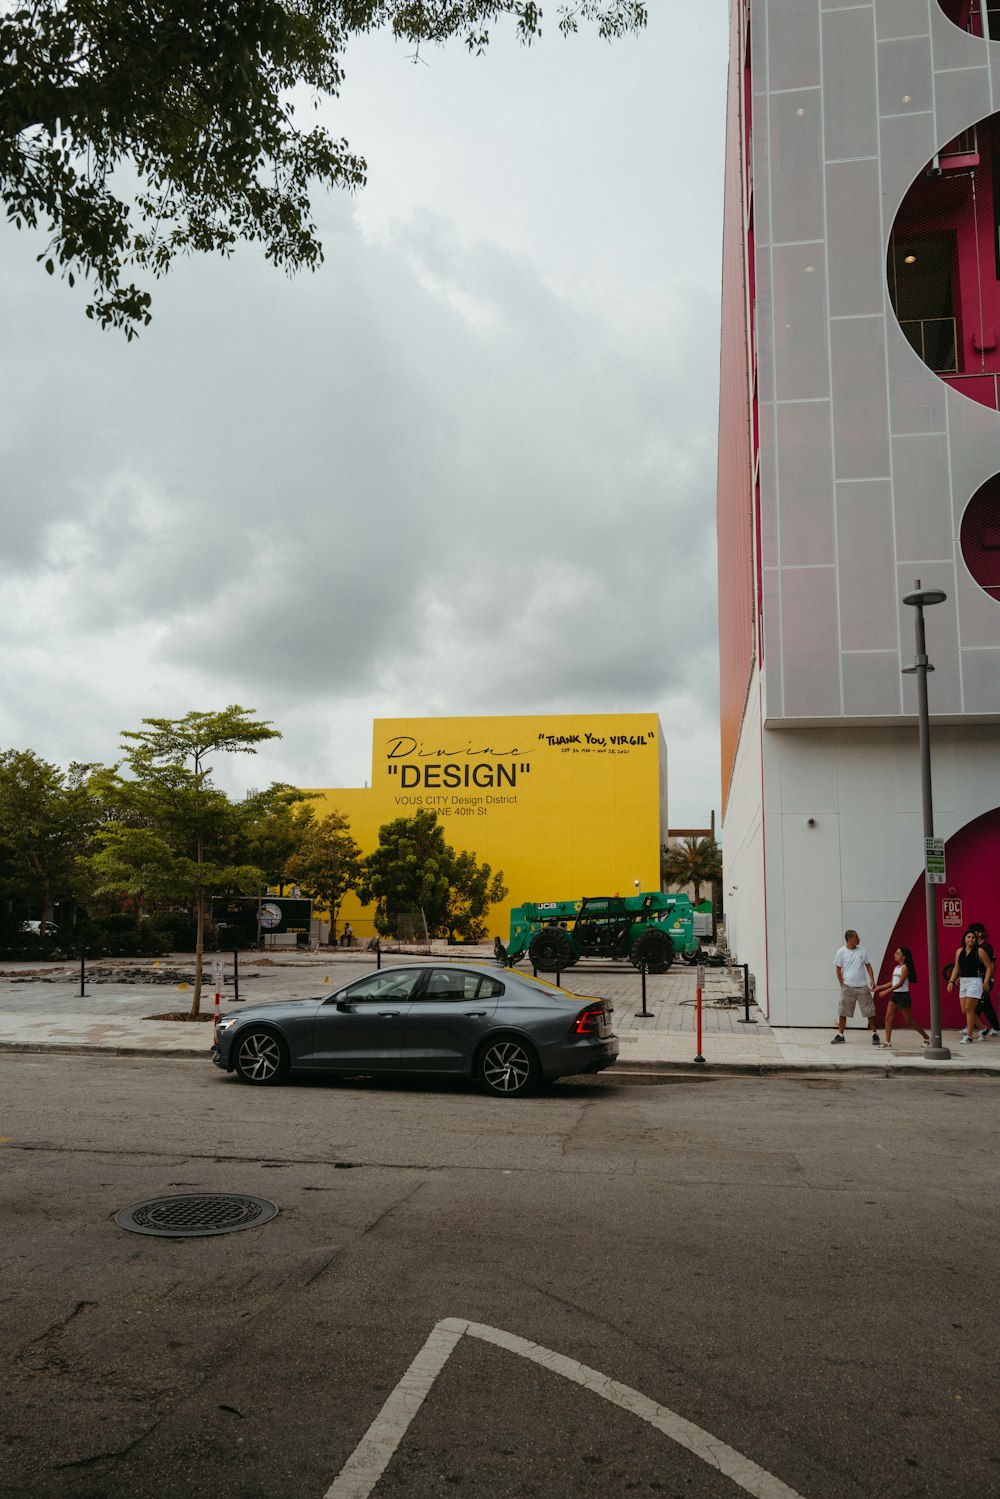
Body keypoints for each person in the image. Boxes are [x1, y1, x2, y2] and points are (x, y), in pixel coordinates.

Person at [875, 946, 929, 1048]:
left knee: (909, 1022)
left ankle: (926, 1037)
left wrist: (886, 991)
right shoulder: (896, 968)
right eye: (895, 953)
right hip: (895, 995)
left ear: (904, 957)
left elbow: (899, 984)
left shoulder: (905, 968)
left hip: (903, 996)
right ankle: (887, 1042)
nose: (895, 955)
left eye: (898, 953)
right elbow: (892, 982)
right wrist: (880, 987)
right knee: (888, 1017)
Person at [947, 928, 995, 1043]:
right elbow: (957, 967)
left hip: (975, 981)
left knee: (969, 1009)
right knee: (965, 1010)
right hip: (963, 981)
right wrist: (951, 981)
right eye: (968, 937)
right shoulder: (959, 951)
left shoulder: (980, 951)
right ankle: (984, 1029)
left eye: (973, 937)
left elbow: (989, 967)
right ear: (964, 939)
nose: (971, 939)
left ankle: (969, 1036)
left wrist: (986, 981)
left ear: (976, 940)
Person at [832, 929, 879, 1045]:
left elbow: (868, 966)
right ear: (850, 939)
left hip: (862, 987)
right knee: (843, 1011)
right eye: (856, 937)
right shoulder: (841, 952)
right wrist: (841, 983)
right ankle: (840, 1035)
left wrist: (872, 980)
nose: (858, 939)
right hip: (848, 987)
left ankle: (874, 1034)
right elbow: (838, 969)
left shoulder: (862, 951)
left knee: (870, 1012)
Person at [970, 922, 1000, 1037]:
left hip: (985, 980)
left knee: (978, 1004)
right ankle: (997, 1028)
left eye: (974, 931)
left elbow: (991, 964)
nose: (972, 934)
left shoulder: (986, 947)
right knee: (985, 1005)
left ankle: (970, 1026)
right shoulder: (976, 947)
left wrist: (990, 979)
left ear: (981, 933)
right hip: (978, 980)